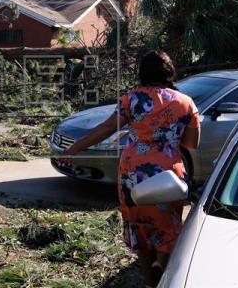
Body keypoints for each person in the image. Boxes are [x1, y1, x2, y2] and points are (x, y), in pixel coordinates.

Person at [63, 50, 200, 287]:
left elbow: (106, 129)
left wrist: (74, 148)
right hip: (168, 173)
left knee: (140, 227)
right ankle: (162, 262)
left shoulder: (131, 99)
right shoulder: (186, 102)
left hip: (134, 172)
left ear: (143, 72)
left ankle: (148, 281)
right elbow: (191, 144)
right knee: (168, 223)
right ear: (170, 72)